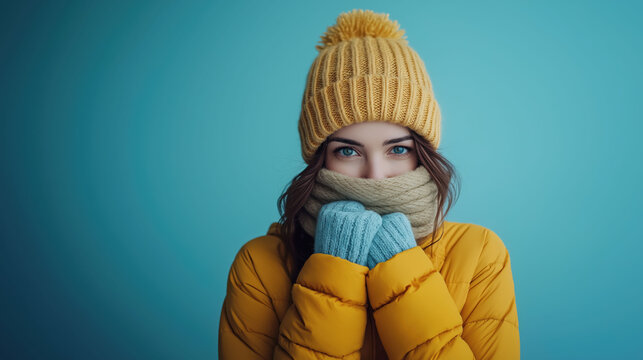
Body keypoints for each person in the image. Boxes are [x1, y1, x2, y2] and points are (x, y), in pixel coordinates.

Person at [218, 9, 520, 359]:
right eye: (348, 150)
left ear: (421, 154)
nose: (375, 174)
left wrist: (400, 269)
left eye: (398, 149)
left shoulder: (479, 254)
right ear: (319, 159)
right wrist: (333, 273)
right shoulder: (260, 264)